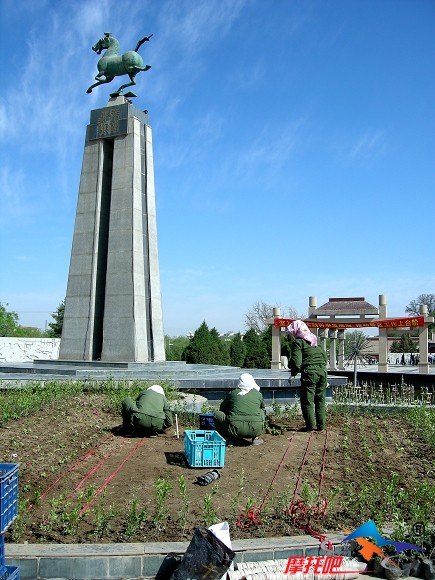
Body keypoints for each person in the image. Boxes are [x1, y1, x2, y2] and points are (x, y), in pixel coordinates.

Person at [287, 320, 327, 432]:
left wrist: (293, 373)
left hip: (310, 373)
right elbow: (324, 357)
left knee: (307, 400)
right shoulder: (314, 341)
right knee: (320, 399)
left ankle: (310, 426)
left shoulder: (298, 342)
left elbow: (296, 361)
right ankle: (321, 426)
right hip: (323, 372)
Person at [213, 373, 265, 445]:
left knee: (217, 414)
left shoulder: (233, 393)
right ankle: (255, 438)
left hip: (235, 429)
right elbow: (262, 408)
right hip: (255, 429)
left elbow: (222, 408)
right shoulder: (258, 394)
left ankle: (227, 439)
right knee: (261, 412)